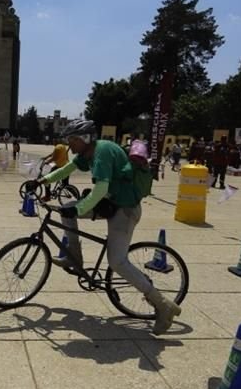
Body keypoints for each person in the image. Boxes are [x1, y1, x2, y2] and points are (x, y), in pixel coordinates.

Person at [27, 120, 181, 335]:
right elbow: (68, 168)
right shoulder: (88, 152)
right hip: (110, 204)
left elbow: (100, 188)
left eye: (73, 140)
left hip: (125, 210)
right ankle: (75, 256)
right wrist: (42, 181)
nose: (70, 145)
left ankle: (164, 305)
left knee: (117, 262)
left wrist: (79, 210)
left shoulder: (102, 152)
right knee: (66, 208)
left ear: (86, 138)